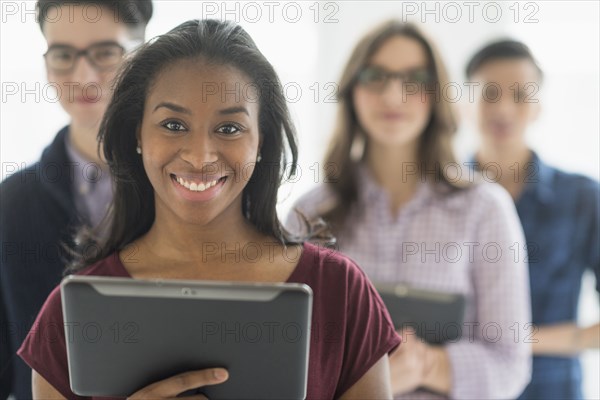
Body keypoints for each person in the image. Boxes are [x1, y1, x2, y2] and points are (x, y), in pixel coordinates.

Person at [17, 19, 401, 399]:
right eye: (173, 124)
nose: (200, 156)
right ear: (137, 133)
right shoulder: (71, 316)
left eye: (229, 128)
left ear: (262, 141)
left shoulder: (341, 293)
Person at [286, 20, 532, 399]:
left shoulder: (486, 209)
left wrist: (425, 365)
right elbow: (289, 361)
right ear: (352, 90)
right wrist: (375, 376)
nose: (393, 95)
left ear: (436, 95)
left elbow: (511, 364)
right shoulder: (309, 212)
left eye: (413, 79)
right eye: (375, 76)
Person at [0, 1, 153, 398]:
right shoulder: (11, 203)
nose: (83, 76)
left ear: (142, 53)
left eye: (105, 53)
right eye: (64, 55)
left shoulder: (183, 187)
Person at [465, 39, 600, 400]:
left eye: (521, 95)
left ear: (538, 106)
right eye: (489, 93)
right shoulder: (440, 198)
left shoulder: (583, 198)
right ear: (465, 103)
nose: (504, 109)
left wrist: (517, 341)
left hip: (553, 391)